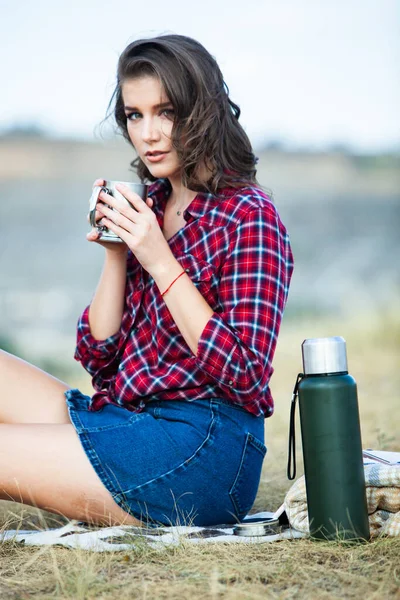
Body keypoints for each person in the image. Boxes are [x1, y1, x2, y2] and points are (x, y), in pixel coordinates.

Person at [0, 34, 293, 527]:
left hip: (203, 450)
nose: (149, 133)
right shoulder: (150, 206)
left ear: (203, 111)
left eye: (166, 112)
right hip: (127, 420)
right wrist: (118, 253)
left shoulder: (250, 216)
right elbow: (98, 359)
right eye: (135, 115)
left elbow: (245, 374)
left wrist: (159, 259)